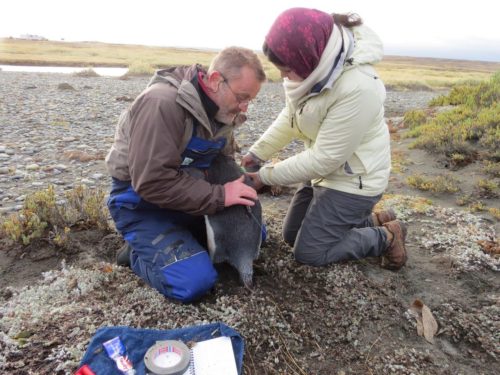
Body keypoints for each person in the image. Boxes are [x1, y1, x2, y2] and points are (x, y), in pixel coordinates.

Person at [242, 8, 407, 270]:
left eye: (286, 69)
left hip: (354, 182)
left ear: (306, 55)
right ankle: (375, 220)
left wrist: (264, 176)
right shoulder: (311, 73)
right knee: (291, 235)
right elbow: (291, 117)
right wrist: (257, 153)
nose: (284, 77)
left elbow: (326, 158)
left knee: (309, 252)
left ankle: (386, 236)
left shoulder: (359, 87)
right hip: (324, 173)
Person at [105, 47, 266, 303]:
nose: (245, 107)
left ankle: (179, 240)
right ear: (215, 81)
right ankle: (137, 254)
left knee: (254, 235)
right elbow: (152, 183)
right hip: (140, 204)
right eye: (242, 97)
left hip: (187, 200)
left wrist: (240, 193)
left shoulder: (221, 110)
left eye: (250, 100)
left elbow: (222, 162)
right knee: (195, 282)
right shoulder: (161, 104)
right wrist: (221, 196)